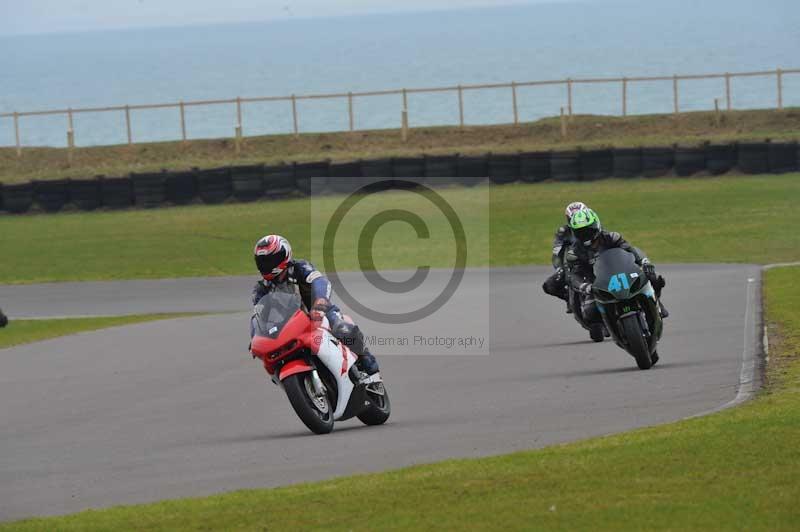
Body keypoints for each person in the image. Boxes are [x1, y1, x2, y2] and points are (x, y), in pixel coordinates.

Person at [250, 234, 380, 375]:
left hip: (318, 312)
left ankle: (369, 366)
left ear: (284, 255)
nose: (266, 265)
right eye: (262, 261)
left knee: (343, 329)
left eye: (270, 259)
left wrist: (320, 303)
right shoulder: (261, 289)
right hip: (289, 327)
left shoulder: (300, 267)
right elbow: (258, 315)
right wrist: (256, 338)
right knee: (273, 360)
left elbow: (320, 282)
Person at [564, 209, 668, 338]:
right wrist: (584, 286)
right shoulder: (574, 253)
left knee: (653, 277)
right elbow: (574, 275)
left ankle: (656, 303)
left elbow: (632, 251)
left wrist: (644, 263)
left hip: (622, 273)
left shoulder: (612, 237)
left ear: (596, 225)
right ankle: (612, 325)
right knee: (590, 312)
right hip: (597, 284)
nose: (585, 234)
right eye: (580, 232)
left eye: (588, 230)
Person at [542, 201, 590, 313]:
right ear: (568, 220)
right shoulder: (564, 232)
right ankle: (569, 298)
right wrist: (559, 268)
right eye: (574, 219)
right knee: (549, 285)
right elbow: (556, 254)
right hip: (573, 264)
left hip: (593, 261)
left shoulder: (594, 227)